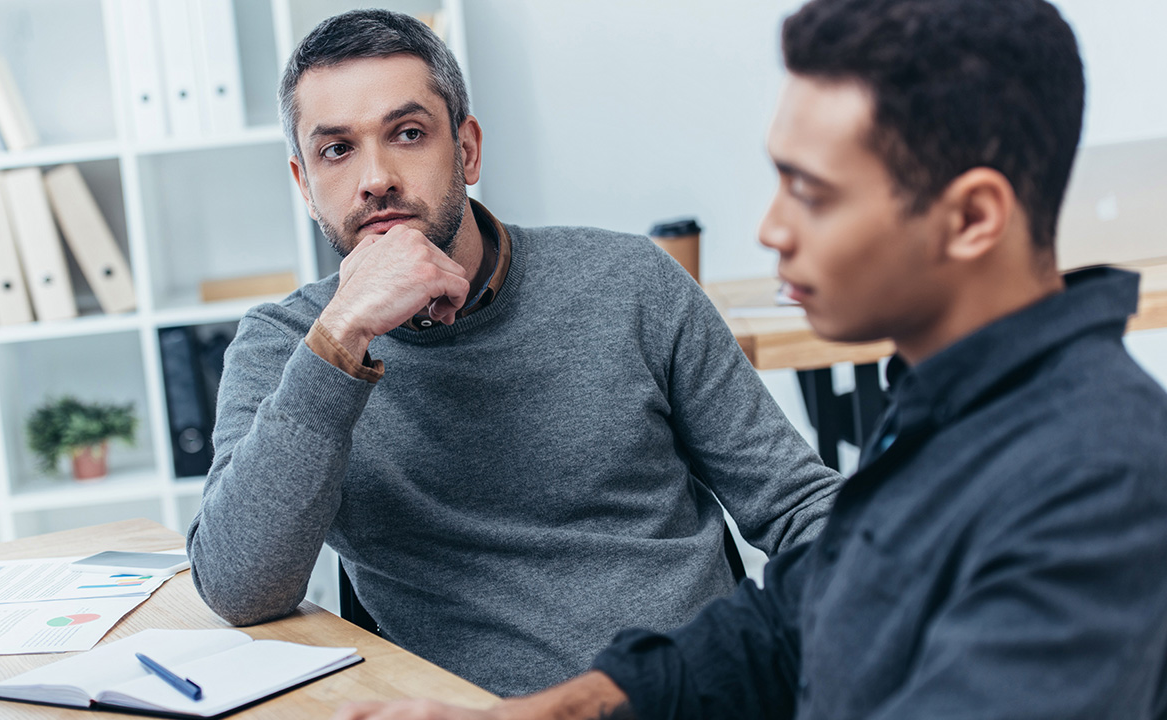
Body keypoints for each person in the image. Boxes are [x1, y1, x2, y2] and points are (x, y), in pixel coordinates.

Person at [331, 0, 1167, 717]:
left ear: (972, 217)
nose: (770, 229)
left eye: (811, 190)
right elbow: (796, 620)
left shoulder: (1098, 476)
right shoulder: (954, 402)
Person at [185, 8, 841, 697]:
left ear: (466, 149)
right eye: (336, 150)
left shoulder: (631, 283)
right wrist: (342, 336)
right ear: (304, 184)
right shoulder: (290, 345)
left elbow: (800, 506)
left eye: (408, 134)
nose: (375, 178)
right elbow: (239, 588)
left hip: (684, 698)